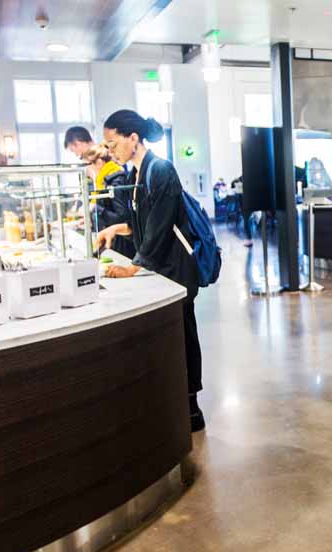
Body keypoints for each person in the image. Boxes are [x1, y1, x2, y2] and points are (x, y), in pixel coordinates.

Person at [93, 109, 207, 432]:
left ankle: (191, 409)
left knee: (184, 335)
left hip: (177, 272)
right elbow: (140, 224)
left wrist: (134, 267)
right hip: (161, 270)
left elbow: (159, 228)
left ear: (133, 138)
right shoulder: (137, 173)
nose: (111, 152)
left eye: (113, 144)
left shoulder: (161, 171)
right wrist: (115, 230)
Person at [82, 144, 136, 258]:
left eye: (87, 165)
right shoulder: (103, 181)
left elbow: (122, 217)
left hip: (122, 245)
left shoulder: (116, 181)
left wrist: (96, 208)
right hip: (112, 241)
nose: (85, 170)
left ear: (99, 162)